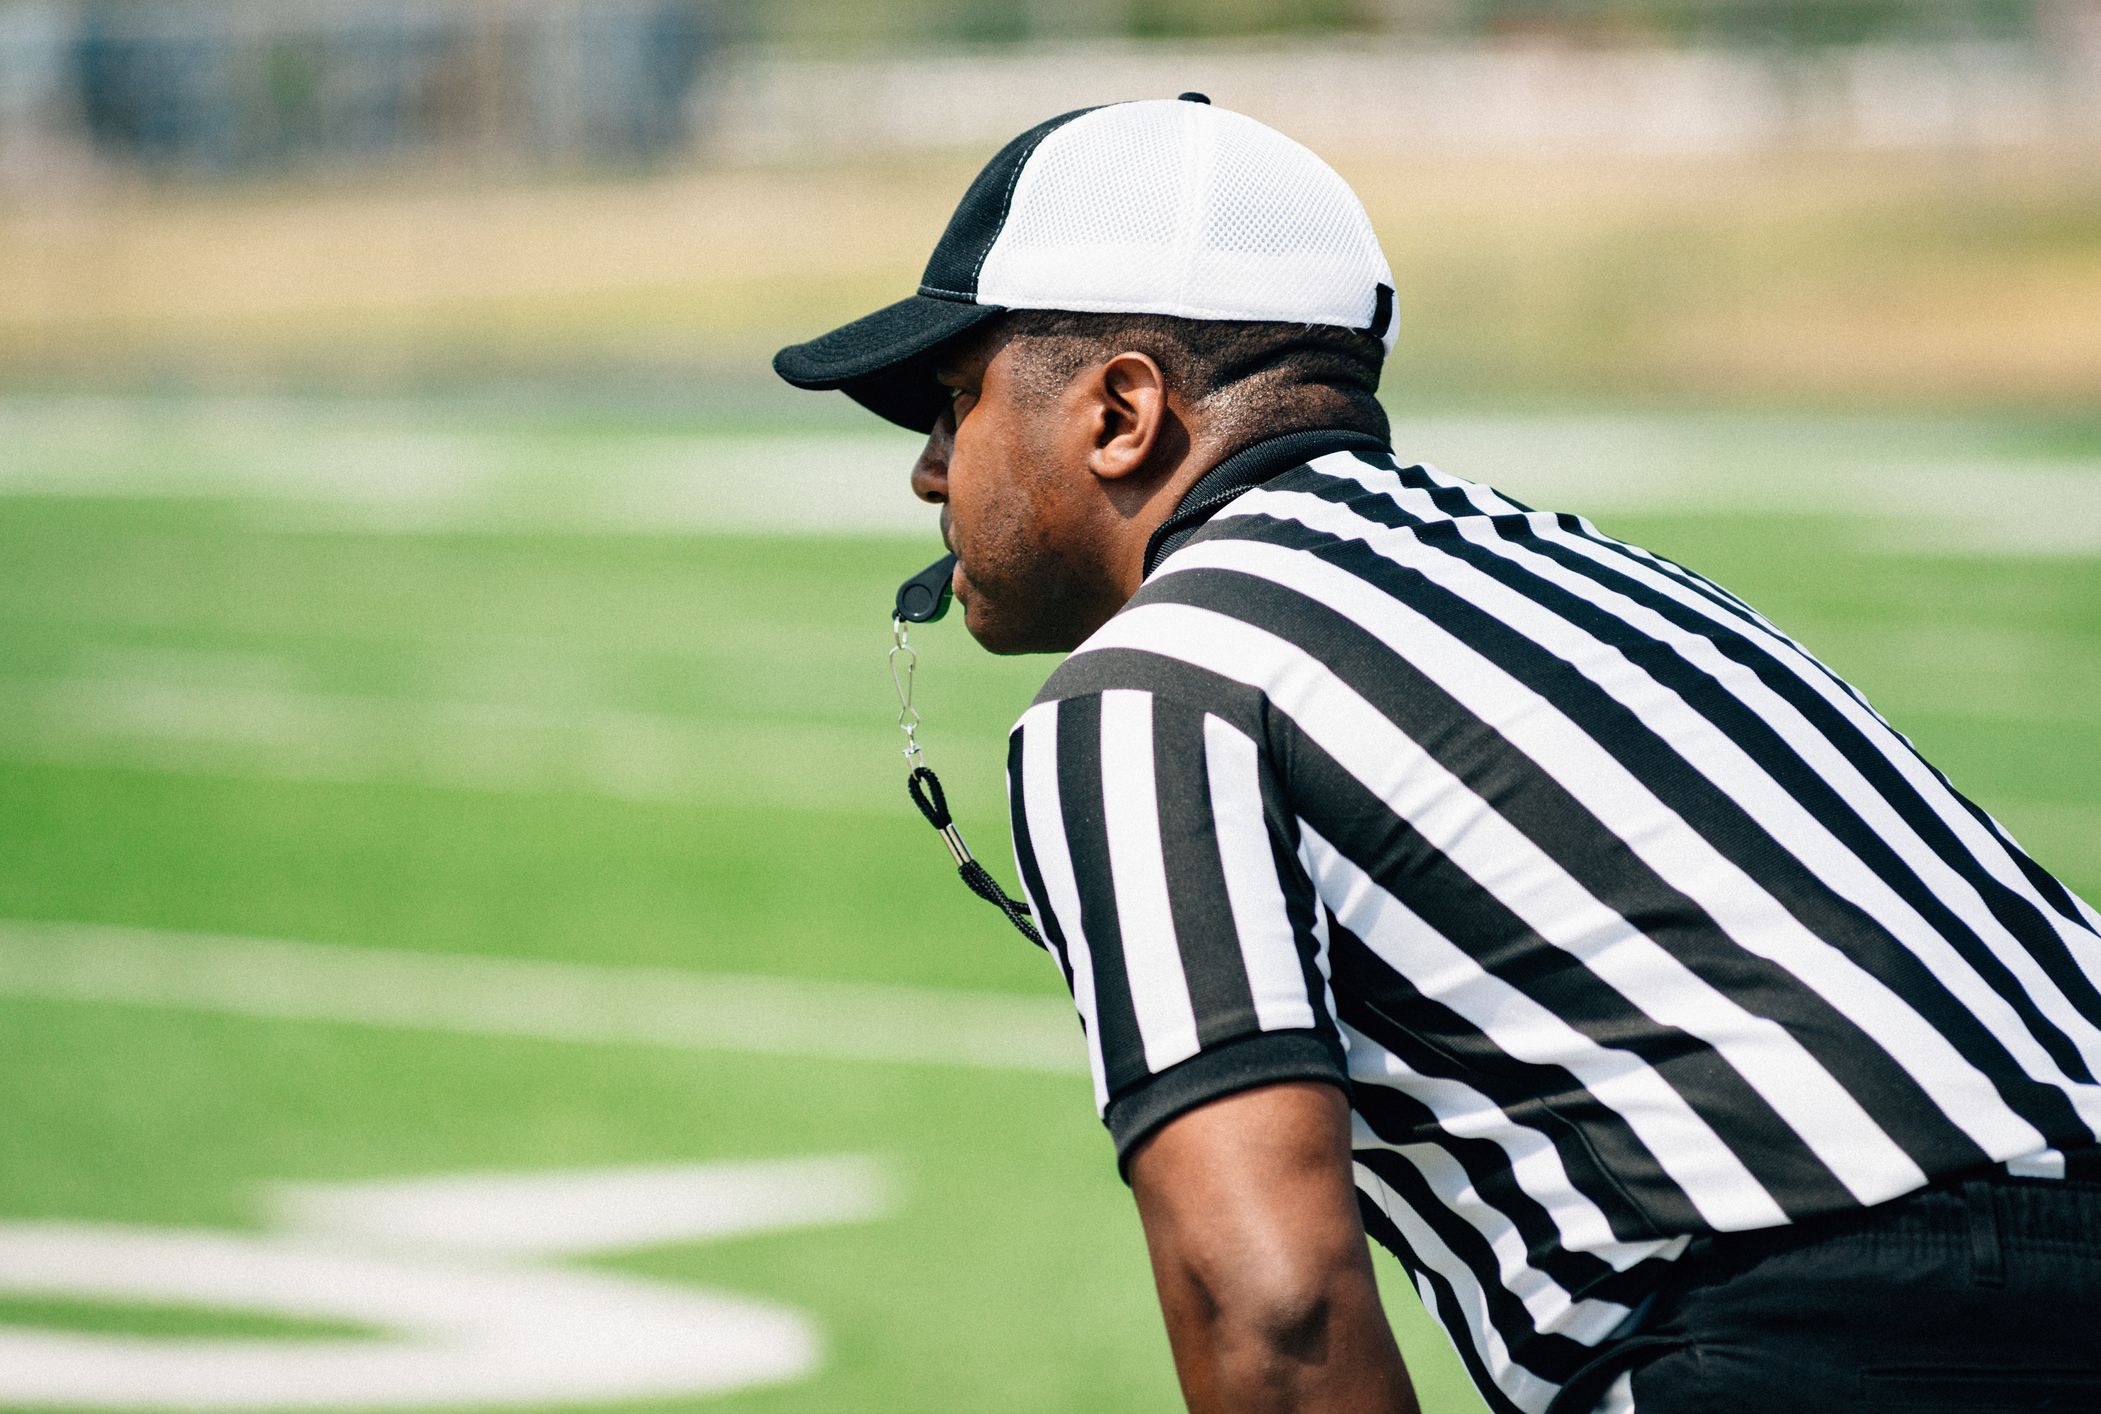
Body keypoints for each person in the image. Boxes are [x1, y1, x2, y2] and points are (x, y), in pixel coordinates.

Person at [775, 96, 2101, 1414]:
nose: (930, 473)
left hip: (1798, 1331)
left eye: (955, 400)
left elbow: (1271, 1309)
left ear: (1121, 412)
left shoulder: (1149, 685)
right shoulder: (1577, 567)